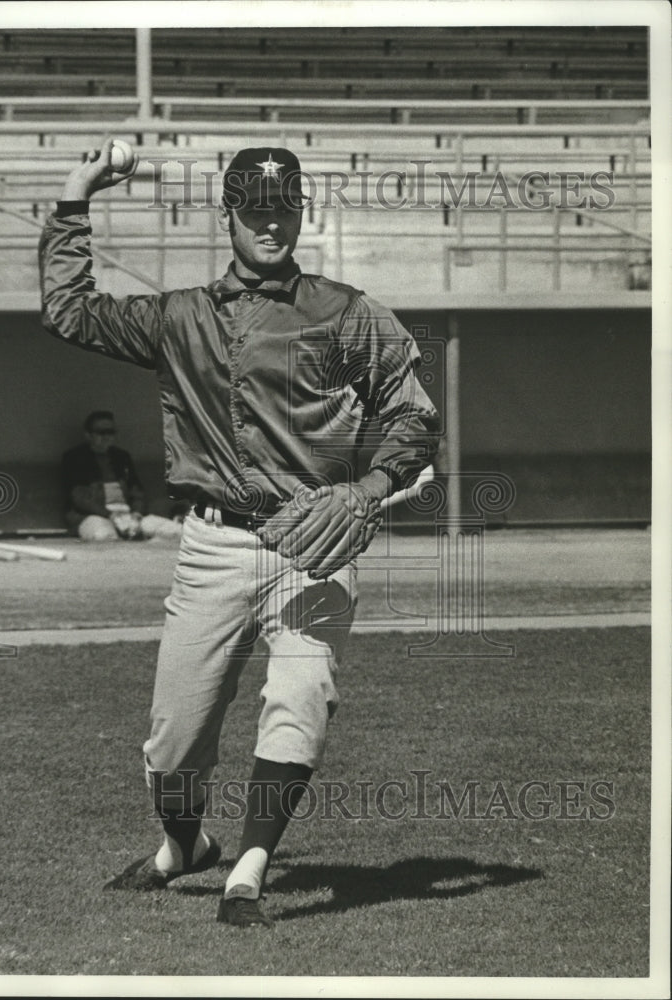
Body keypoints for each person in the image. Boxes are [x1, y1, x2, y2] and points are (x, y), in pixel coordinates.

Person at [39, 140, 440, 928]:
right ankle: (184, 846)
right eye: (254, 208)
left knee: (301, 696)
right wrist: (74, 197)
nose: (270, 222)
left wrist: (366, 489)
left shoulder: (348, 311)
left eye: (282, 207)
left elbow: (414, 415)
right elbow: (69, 311)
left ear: (301, 210)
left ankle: (249, 867)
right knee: (174, 740)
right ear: (227, 213)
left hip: (316, 546)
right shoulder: (179, 316)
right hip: (212, 546)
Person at [61, 410, 146, 541]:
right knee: (106, 537)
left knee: (172, 532)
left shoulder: (122, 457)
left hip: (127, 515)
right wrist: (110, 515)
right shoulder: (74, 458)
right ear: (88, 435)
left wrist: (137, 514)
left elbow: (137, 491)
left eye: (110, 432)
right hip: (93, 516)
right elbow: (79, 498)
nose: (107, 436)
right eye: (101, 432)